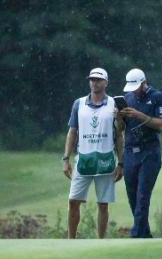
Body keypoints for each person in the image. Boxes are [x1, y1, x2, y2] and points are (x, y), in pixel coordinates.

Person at [62, 67, 124, 239]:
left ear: (106, 82)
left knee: (103, 204)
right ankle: (71, 240)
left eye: (98, 79)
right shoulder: (79, 103)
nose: (94, 82)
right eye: (92, 79)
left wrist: (121, 163)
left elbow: (120, 134)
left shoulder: (114, 104)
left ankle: (101, 242)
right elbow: (72, 132)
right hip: (84, 160)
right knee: (73, 201)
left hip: (106, 160)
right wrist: (65, 158)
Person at [117, 68, 162, 238]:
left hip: (149, 152)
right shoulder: (127, 98)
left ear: (144, 83)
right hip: (130, 153)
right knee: (133, 197)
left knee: (142, 197)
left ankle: (135, 235)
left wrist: (141, 116)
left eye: (136, 86)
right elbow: (122, 128)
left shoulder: (157, 97)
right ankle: (145, 237)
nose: (133, 90)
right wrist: (118, 118)